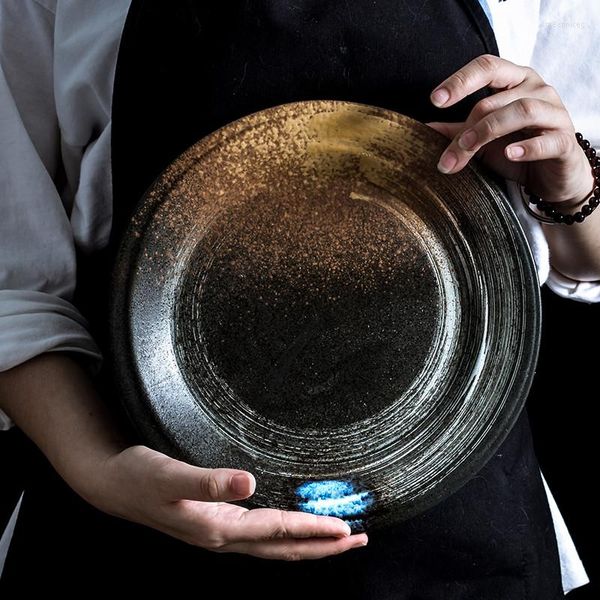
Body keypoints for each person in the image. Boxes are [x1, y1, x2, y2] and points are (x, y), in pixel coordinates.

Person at [0, 0, 598, 597]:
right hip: (138, 521)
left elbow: (589, 260)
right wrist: (98, 470)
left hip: (457, 533)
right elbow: (13, 287)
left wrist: (570, 182)